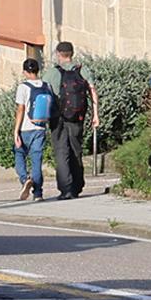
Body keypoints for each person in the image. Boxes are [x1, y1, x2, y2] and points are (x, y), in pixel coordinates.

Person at [42, 42, 99, 200]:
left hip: (57, 118)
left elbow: (42, 94)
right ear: (72, 53)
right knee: (76, 150)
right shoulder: (82, 70)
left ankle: (66, 189)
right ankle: (77, 186)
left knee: (61, 152)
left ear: (59, 54)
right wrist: (96, 115)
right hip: (77, 117)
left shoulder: (52, 73)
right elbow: (93, 91)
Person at [13, 58, 53, 202]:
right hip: (40, 128)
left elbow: (20, 110)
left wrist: (16, 131)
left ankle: (25, 180)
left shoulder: (23, 87)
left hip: (25, 128)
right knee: (37, 161)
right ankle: (38, 194)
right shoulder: (47, 86)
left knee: (19, 154)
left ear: (25, 72)